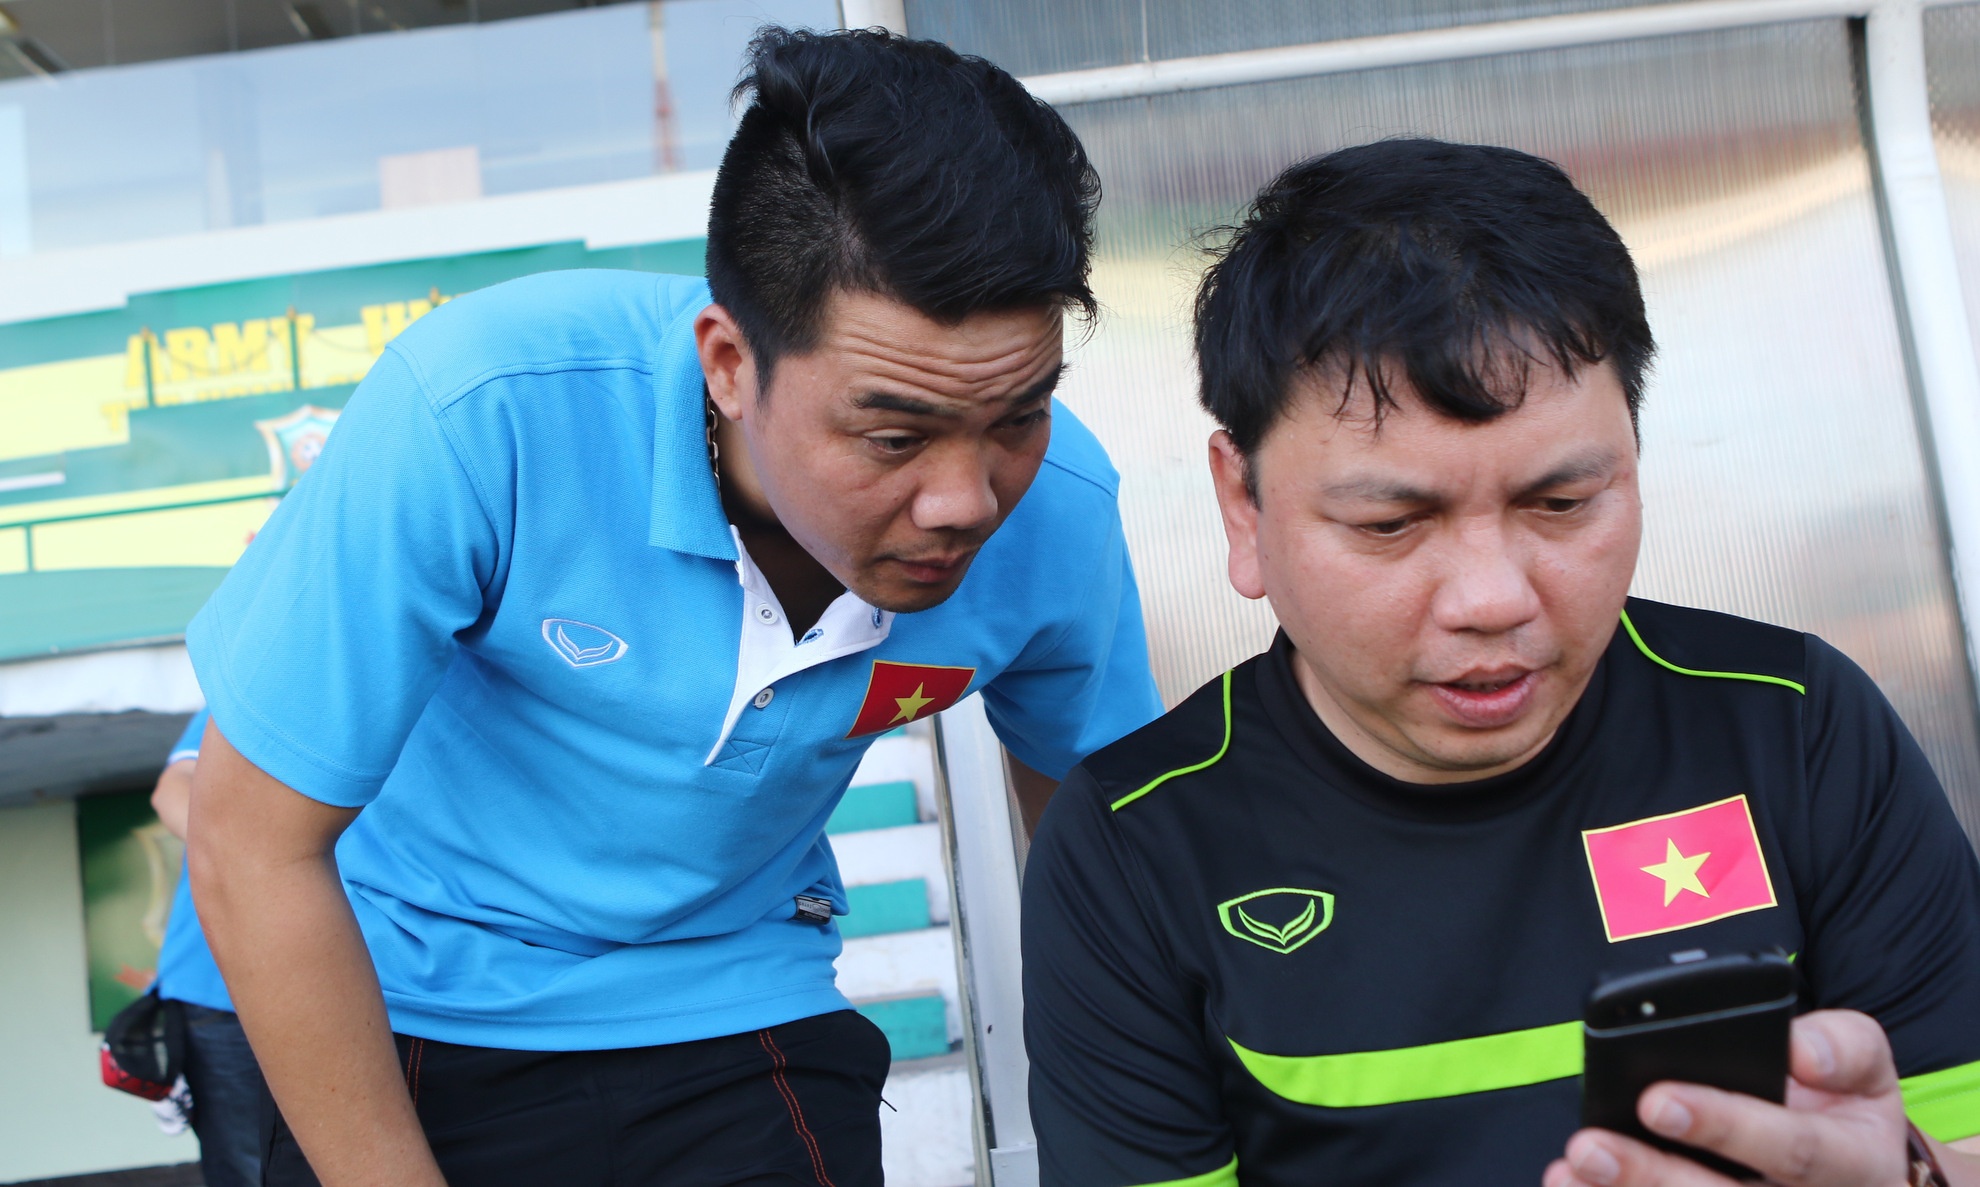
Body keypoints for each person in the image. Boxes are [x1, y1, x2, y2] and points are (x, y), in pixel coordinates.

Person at [183, 27, 1159, 1187]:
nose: (966, 500)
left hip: (739, 995)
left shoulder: (1058, 510)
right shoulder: (484, 410)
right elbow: (252, 842)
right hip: (409, 997)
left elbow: (1114, 864)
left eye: (1017, 415)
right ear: (729, 364)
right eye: (895, 437)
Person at [1020, 139, 1980, 1187]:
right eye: (1390, 523)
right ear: (1243, 505)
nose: (1492, 599)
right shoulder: (1136, 845)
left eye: (1562, 503)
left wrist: (1914, 1175)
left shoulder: (1792, 724)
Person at [149, 706, 267, 1187]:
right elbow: (174, 787)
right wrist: (264, 859)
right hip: (219, 989)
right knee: (250, 1167)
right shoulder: (268, 679)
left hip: (382, 986)